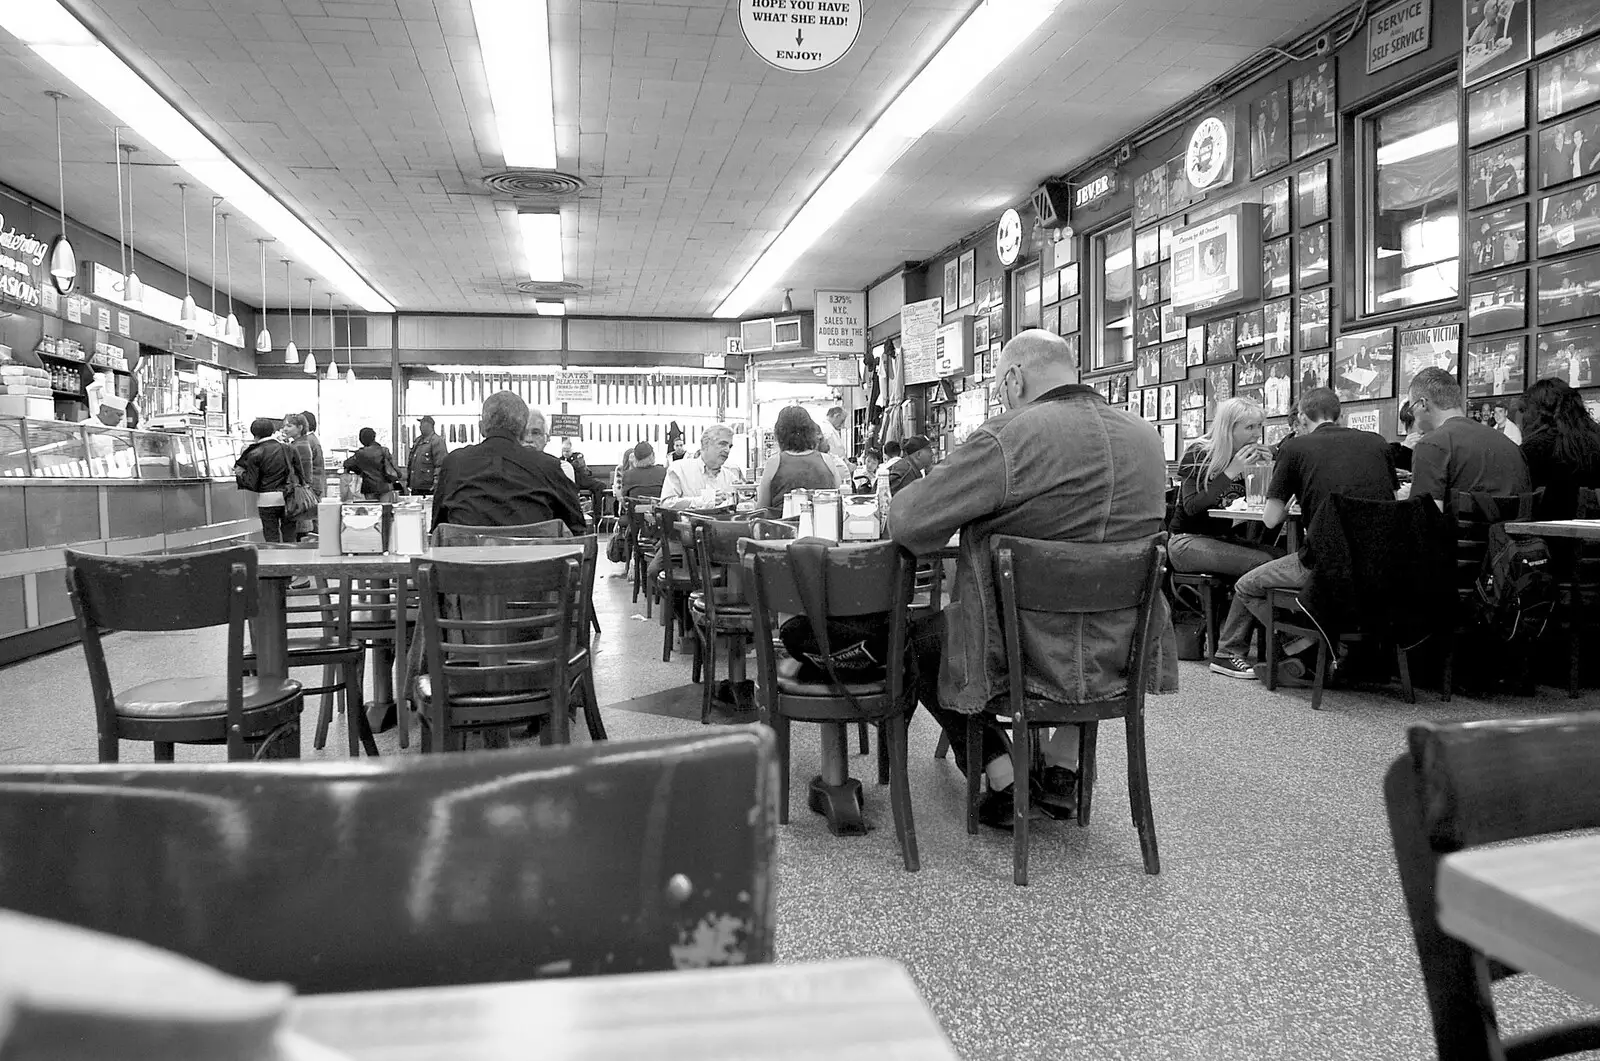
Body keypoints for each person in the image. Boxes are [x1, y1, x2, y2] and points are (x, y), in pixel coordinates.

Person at [891, 330, 1176, 828]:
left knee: (917, 635)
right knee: (1090, 608)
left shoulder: (1007, 437)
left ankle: (1004, 774)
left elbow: (909, 523)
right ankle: (1063, 768)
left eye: (1003, 388)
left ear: (1014, 378)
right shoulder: (1147, 439)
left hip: (1019, 653)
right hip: (1120, 651)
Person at [1209, 388, 1398, 680]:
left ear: (1301, 417)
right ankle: (1311, 647)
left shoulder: (1296, 449)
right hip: (1382, 567)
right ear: (1341, 414)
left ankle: (1300, 644)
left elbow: (1271, 521)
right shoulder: (1378, 443)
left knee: (1246, 585)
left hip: (1323, 564)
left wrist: (1292, 499)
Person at [431, 391, 586, 534]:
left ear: (481, 428)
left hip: (465, 562)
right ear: (523, 428)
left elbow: (438, 528)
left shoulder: (453, 464)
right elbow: (577, 529)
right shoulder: (549, 467)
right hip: (534, 563)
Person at [1167, 398, 1279, 578]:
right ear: (1229, 429)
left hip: (1224, 538)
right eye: (1250, 427)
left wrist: (1267, 470)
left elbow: (1259, 505)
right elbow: (1192, 507)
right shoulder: (1198, 452)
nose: (1257, 434)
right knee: (1263, 563)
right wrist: (1231, 471)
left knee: (1282, 558)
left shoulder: (1248, 457)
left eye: (1259, 426)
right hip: (1185, 540)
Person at [1407, 367, 1530, 512]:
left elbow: (1425, 521)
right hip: (1517, 533)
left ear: (1423, 404)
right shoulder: (1510, 445)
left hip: (1461, 534)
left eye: (1411, 409)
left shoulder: (1431, 444)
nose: (1412, 416)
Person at [1519, 378, 1600, 521]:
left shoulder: (1534, 448)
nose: (1522, 419)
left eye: (1524, 411)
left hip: (1544, 536)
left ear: (1538, 413)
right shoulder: (1595, 440)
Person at [236, 416, 306, 544]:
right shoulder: (289, 448)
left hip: (266, 500)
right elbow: (301, 475)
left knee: (271, 539)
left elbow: (251, 483)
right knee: (289, 538)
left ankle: (275, 561)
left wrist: (241, 474)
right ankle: (291, 562)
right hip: (289, 498)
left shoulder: (254, 453)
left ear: (254, 434)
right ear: (272, 431)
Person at [757, 405, 840, 513]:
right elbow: (839, 498)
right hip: (823, 525)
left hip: (784, 526)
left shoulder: (775, 462)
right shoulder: (827, 460)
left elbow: (762, 508)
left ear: (780, 433)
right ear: (810, 431)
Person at [660, 424, 740, 509]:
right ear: (705, 444)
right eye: (722, 444)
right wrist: (702, 501)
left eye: (730, 446)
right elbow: (666, 504)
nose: (727, 450)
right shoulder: (679, 470)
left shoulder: (731, 478)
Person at [282, 412, 323, 536]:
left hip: (300, 491)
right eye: (284, 426)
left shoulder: (300, 445)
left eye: (289, 426)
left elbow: (300, 472)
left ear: (300, 427)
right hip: (308, 487)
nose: (284, 429)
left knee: (299, 528)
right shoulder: (304, 442)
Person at [342, 428, 402, 502]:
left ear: (361, 439)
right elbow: (395, 469)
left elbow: (347, 464)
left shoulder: (360, 453)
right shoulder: (384, 450)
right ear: (374, 437)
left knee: (373, 510)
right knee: (386, 509)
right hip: (386, 486)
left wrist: (358, 470)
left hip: (369, 488)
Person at [406, 415, 448, 495]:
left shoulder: (437, 441)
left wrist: (436, 482)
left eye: (422, 424)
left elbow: (441, 464)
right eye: (420, 424)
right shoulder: (418, 441)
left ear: (429, 425)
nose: (420, 427)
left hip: (429, 488)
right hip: (416, 487)